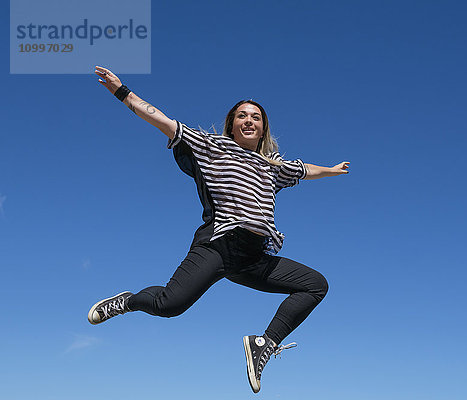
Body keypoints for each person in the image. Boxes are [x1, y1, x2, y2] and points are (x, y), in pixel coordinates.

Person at [87, 66, 350, 393]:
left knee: (315, 285)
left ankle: (263, 345)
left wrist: (332, 170)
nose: (249, 120)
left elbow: (304, 170)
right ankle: (128, 301)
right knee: (169, 305)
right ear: (232, 124)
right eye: (242, 116)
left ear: (263, 128)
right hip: (216, 247)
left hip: (253, 258)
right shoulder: (211, 147)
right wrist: (122, 91)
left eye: (256, 117)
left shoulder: (273, 168)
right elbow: (163, 121)